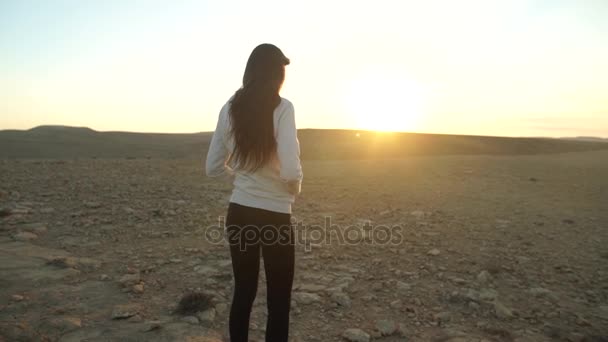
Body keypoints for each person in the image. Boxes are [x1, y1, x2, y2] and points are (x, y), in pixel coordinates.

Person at [205, 43, 302, 342]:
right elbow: (290, 170)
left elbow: (212, 166)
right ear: (275, 75)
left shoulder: (229, 108)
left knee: (244, 293)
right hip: (275, 218)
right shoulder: (283, 108)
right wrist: (291, 192)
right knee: (278, 302)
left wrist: (242, 181)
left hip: (239, 214)